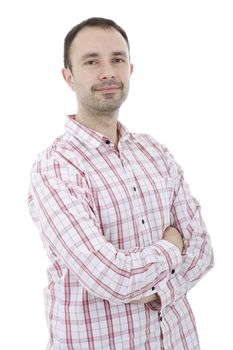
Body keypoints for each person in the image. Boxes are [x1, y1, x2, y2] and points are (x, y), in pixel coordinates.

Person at [28, 17, 214, 350]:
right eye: (91, 61)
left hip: (177, 340)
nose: (107, 72)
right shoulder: (55, 168)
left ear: (131, 68)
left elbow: (202, 250)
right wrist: (172, 246)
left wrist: (158, 291)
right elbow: (111, 277)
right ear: (68, 77)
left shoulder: (156, 152)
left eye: (117, 59)